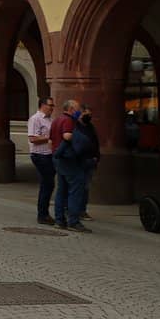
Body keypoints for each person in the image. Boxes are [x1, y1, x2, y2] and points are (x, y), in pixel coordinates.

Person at [49, 99, 91, 232]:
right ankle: (74, 221)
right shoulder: (68, 120)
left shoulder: (56, 120)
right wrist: (81, 139)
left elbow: (51, 140)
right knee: (76, 188)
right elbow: (67, 136)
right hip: (69, 159)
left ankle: (59, 219)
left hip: (59, 157)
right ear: (71, 109)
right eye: (78, 109)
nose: (79, 112)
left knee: (62, 190)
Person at [27, 97, 56, 225]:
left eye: (53, 105)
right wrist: (49, 138)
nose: (52, 107)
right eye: (50, 105)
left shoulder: (50, 119)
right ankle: (42, 214)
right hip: (39, 155)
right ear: (42, 105)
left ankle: (44, 213)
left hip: (48, 154)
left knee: (48, 184)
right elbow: (32, 138)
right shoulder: (35, 119)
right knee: (47, 184)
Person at [75, 105, 100, 220]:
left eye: (90, 115)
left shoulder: (90, 127)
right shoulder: (75, 126)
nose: (89, 116)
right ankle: (75, 210)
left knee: (85, 187)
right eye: (86, 114)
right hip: (80, 161)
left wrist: (96, 157)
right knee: (78, 186)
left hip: (90, 160)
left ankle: (82, 210)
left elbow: (95, 143)